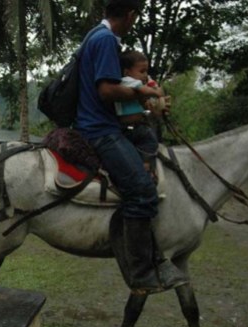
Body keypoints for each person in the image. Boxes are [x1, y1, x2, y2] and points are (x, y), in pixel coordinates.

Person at [74, 0, 187, 294]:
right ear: (130, 14)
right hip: (100, 131)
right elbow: (107, 90)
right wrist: (145, 90)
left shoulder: (95, 36)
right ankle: (140, 272)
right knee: (143, 192)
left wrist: (150, 110)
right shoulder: (106, 40)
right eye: (134, 18)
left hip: (104, 126)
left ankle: (153, 258)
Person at [115, 50, 166, 181]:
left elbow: (143, 102)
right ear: (127, 72)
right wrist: (157, 92)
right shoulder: (128, 81)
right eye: (142, 71)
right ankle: (146, 167)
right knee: (150, 142)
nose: (145, 76)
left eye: (146, 72)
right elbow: (145, 90)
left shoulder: (129, 85)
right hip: (133, 127)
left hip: (129, 127)